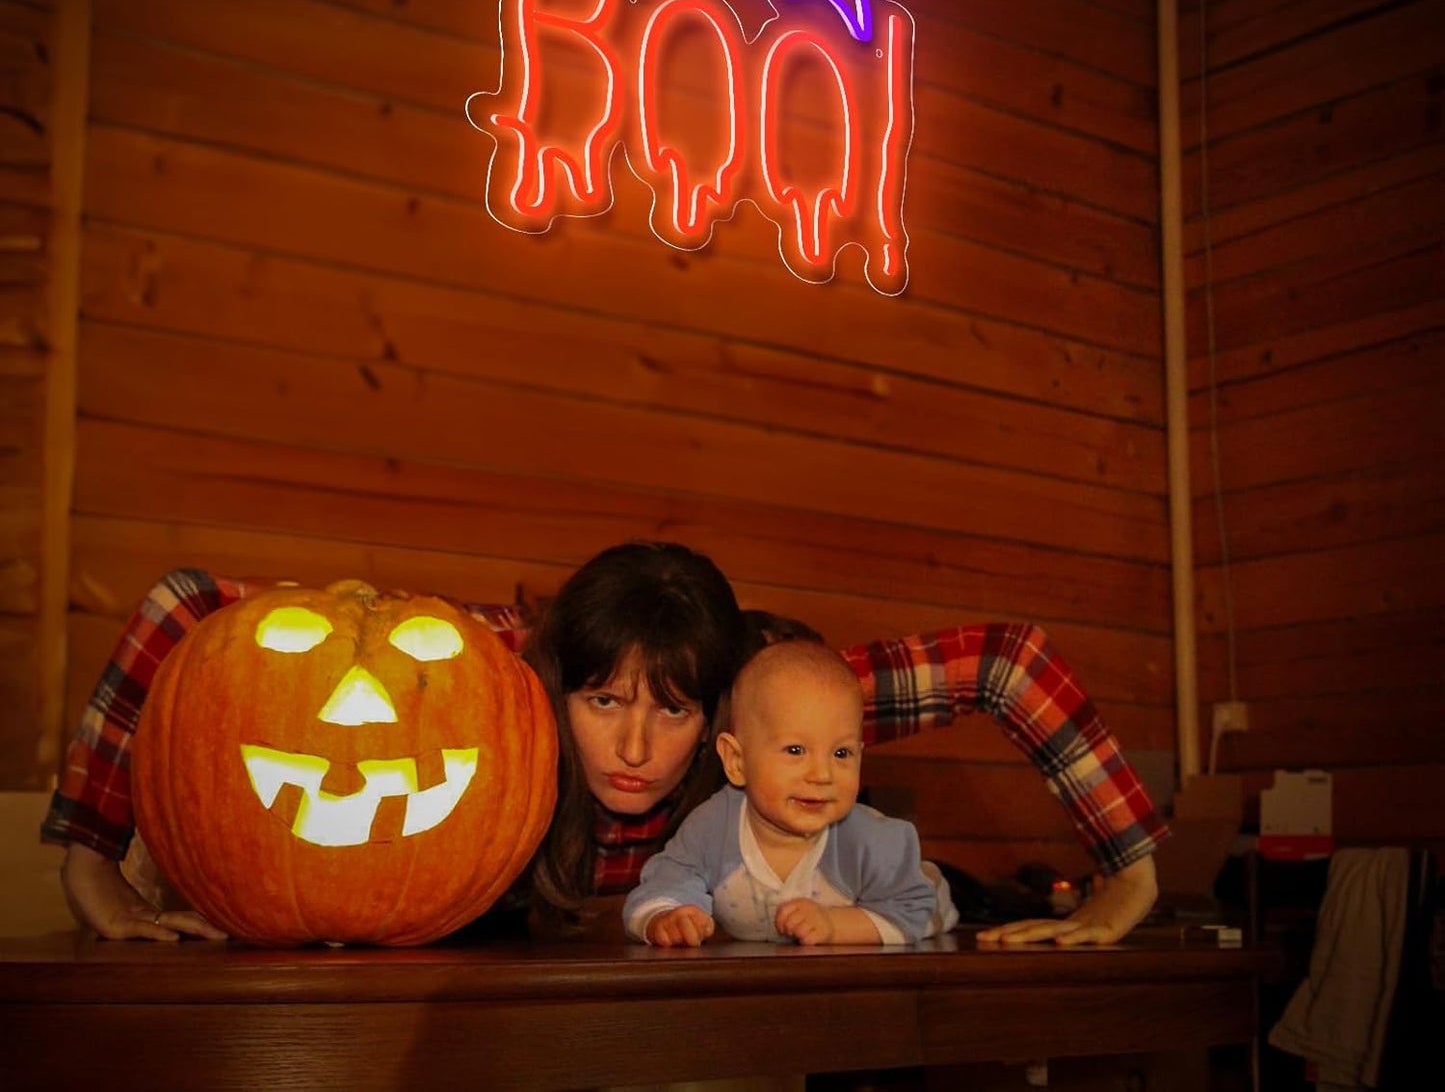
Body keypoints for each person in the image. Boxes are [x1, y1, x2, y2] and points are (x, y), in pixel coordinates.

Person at [42, 541, 1166, 946]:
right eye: (601, 701)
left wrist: (1129, 878)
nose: (631, 743)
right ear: (554, 679)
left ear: (718, 724)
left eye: (670, 711)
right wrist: (95, 868)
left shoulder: (758, 695)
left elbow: (1006, 660)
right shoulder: (483, 670)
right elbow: (187, 606)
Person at [624, 638, 956, 947]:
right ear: (737, 761)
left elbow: (914, 911)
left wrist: (835, 925)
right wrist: (665, 916)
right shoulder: (714, 826)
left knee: (923, 886)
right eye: (796, 750)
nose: (822, 774)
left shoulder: (870, 840)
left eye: (841, 754)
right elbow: (666, 879)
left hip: (920, 897)